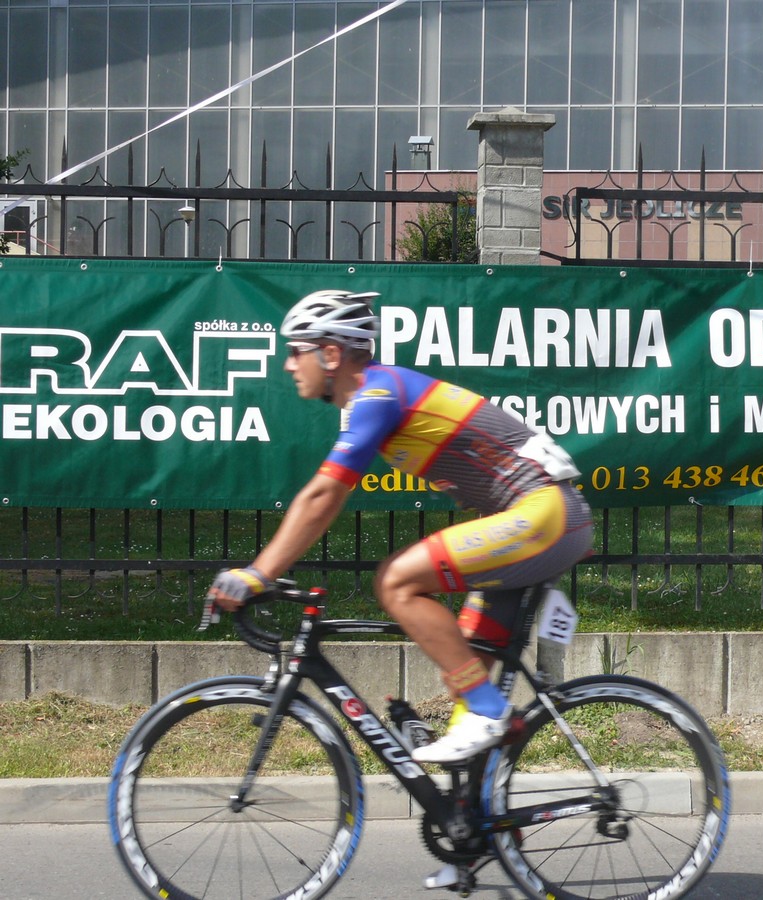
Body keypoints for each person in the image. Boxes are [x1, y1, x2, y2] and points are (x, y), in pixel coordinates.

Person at [208, 289, 594, 765]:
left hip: (545, 515)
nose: (289, 365)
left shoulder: (378, 392)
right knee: (464, 658)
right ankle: (473, 798)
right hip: (544, 519)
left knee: (397, 581)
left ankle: (490, 713)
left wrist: (259, 573)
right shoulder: (377, 394)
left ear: (330, 354)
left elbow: (324, 496)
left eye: (295, 351)